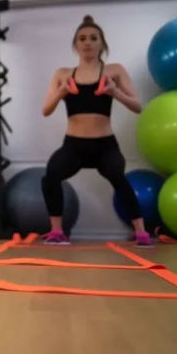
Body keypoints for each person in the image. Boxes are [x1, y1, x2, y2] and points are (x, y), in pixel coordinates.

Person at [40, 15, 152, 248]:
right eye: (82, 38)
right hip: (73, 145)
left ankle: (142, 233)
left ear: (102, 43)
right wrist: (61, 92)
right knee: (50, 176)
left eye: (93, 38)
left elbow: (137, 106)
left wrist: (115, 92)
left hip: (104, 145)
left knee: (118, 178)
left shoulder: (113, 70)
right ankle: (57, 232)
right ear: (76, 44)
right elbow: (46, 110)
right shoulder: (63, 74)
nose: (87, 42)